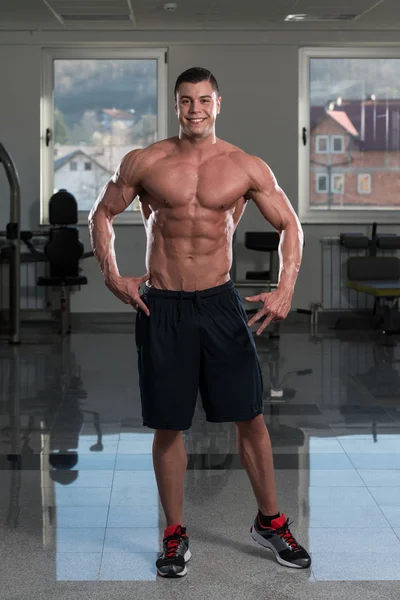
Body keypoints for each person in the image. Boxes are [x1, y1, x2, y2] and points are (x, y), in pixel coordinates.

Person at [88, 67, 311, 578]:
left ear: (218, 104)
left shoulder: (244, 165)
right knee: (169, 424)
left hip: (219, 303)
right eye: (186, 100)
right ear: (176, 105)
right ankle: (173, 532)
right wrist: (112, 275)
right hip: (163, 305)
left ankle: (271, 522)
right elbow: (102, 213)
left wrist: (286, 288)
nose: (195, 109)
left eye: (204, 100)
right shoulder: (146, 161)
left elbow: (289, 224)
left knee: (250, 417)